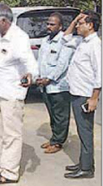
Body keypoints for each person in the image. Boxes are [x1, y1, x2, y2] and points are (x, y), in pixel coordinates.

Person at [0, 3, 38, 184]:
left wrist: (31, 76)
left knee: (11, 133)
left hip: (11, 94)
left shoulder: (19, 37)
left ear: (4, 20)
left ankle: (10, 172)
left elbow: (30, 62)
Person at [62, 11, 101, 179]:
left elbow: (99, 73)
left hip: (85, 95)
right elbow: (65, 37)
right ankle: (84, 162)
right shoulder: (82, 41)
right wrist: (76, 19)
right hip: (77, 92)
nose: (77, 26)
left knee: (85, 132)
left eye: (81, 23)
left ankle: (86, 168)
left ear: (90, 25)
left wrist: (94, 98)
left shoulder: (95, 45)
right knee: (81, 130)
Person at [36, 12, 75, 154]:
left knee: (61, 116)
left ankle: (58, 142)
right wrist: (39, 77)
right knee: (52, 114)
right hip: (46, 86)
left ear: (60, 26)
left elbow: (62, 64)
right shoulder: (45, 41)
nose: (48, 26)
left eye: (52, 24)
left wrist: (50, 78)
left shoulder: (65, 41)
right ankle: (54, 138)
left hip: (59, 86)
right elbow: (41, 62)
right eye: (48, 23)